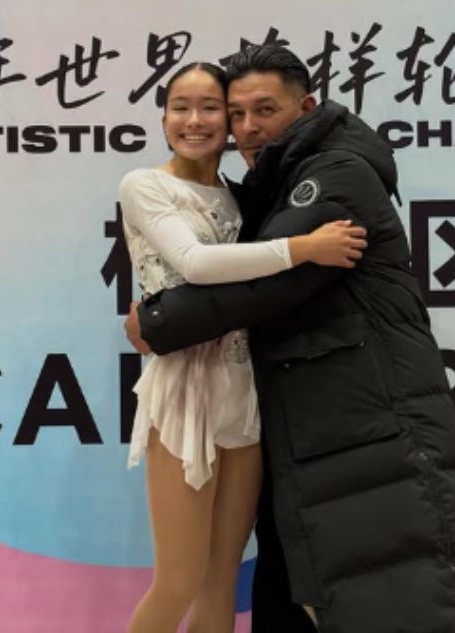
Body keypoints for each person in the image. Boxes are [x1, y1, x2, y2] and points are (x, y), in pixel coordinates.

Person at [124, 45, 455, 632]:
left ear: (306, 107)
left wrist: (157, 323)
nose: (248, 127)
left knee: (390, 591)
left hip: (363, 419)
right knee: (232, 582)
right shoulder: (262, 184)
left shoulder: (335, 173)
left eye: (264, 110)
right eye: (237, 113)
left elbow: (268, 285)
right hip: (294, 420)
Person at [120, 61, 366, 633]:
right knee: (179, 580)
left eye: (212, 109)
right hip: (183, 392)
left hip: (245, 390)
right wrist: (303, 248)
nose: (195, 120)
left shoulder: (241, 198)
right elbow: (196, 265)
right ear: (163, 118)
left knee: (220, 579)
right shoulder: (145, 185)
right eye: (181, 107)